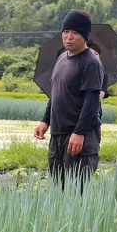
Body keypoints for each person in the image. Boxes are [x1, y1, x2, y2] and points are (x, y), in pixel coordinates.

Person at [34, 10, 103, 189]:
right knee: (58, 189)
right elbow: (55, 93)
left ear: (85, 36)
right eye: (65, 32)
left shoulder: (90, 62)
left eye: (75, 33)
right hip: (58, 135)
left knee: (76, 191)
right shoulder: (61, 58)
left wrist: (79, 133)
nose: (69, 37)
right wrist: (45, 121)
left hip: (80, 136)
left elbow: (92, 102)